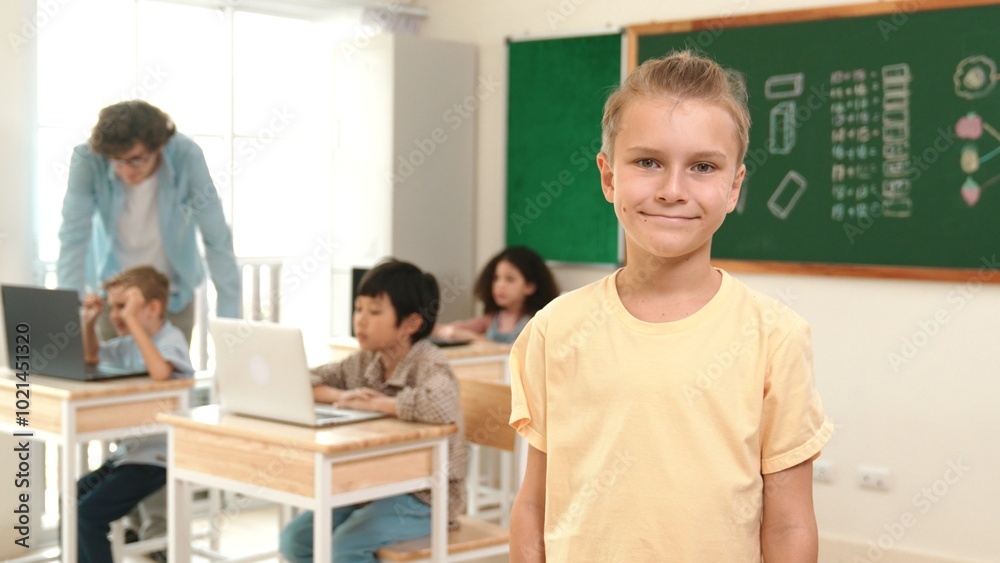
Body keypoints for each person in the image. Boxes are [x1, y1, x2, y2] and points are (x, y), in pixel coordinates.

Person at [508, 51, 835, 562]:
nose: (672, 190)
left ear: (733, 187)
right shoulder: (555, 329)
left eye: (702, 167)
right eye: (648, 162)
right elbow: (533, 504)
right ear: (608, 177)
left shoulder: (775, 335)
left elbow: (790, 523)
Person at [279, 259, 467, 563]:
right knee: (296, 540)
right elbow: (304, 379)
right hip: (369, 486)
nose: (361, 320)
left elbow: (442, 405)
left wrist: (380, 404)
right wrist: (344, 395)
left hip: (424, 498)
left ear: (411, 324)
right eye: (358, 309)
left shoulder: (429, 364)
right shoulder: (364, 361)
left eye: (375, 312)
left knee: (345, 547)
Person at [57, 99, 241, 343]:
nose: (126, 170)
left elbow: (216, 237)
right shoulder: (88, 158)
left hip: (172, 298)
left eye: (136, 159)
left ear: (160, 147)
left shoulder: (186, 156)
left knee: (171, 377)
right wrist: (69, 317)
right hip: (113, 299)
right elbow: (73, 236)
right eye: (117, 161)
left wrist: (230, 328)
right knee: (111, 378)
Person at [76, 265, 194, 563]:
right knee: (73, 498)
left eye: (123, 306)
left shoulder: (170, 340)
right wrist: (90, 323)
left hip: (159, 458)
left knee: (87, 515)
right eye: (114, 307)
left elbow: (161, 372)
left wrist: (133, 323)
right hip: (129, 455)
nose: (115, 315)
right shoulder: (130, 343)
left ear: (152, 307)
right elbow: (91, 357)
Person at [435, 246, 559, 344]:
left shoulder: (535, 321)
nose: (500, 286)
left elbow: (515, 353)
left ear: (530, 286)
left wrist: (476, 339)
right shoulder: (491, 319)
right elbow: (446, 329)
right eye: (496, 278)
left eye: (509, 279)